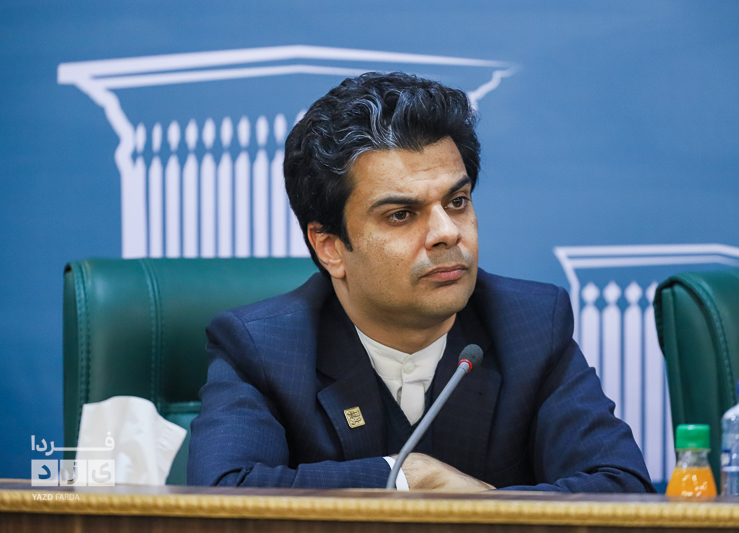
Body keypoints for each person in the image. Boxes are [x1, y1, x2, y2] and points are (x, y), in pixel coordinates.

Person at [187, 72, 654, 492]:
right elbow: (223, 493)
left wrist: (482, 514)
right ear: (330, 247)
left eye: (457, 202)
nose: (447, 233)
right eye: (401, 214)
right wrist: (409, 476)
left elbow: (622, 489)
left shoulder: (531, 325)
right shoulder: (265, 349)